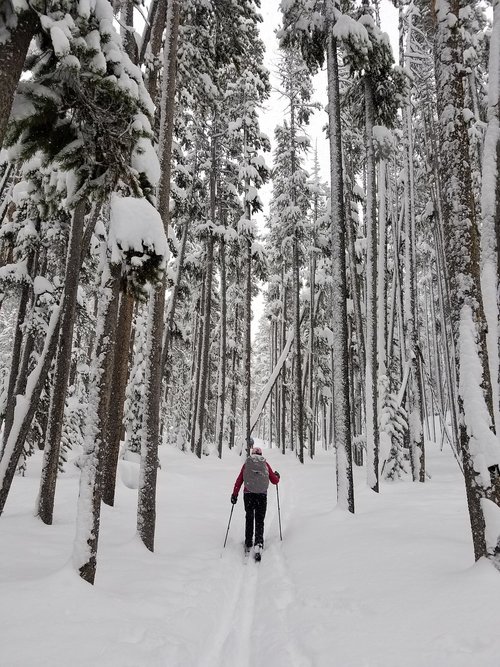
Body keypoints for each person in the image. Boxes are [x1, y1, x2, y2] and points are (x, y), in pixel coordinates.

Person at [231, 443, 280, 556]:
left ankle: (248, 542)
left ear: (252, 454)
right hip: (261, 496)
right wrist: (277, 476)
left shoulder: (246, 464)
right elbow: (274, 481)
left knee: (249, 517)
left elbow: (239, 480)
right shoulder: (265, 464)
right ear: (261, 454)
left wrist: (234, 494)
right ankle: (258, 543)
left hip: (248, 495)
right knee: (259, 519)